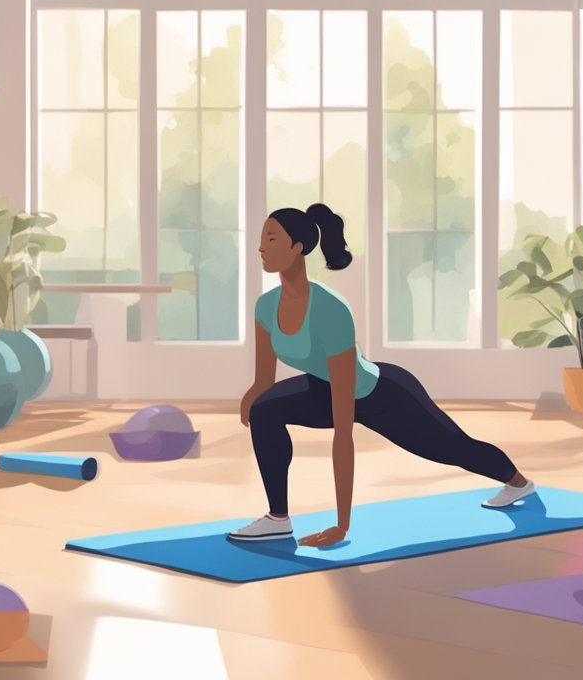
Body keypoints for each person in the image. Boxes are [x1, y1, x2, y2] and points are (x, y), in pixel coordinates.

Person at [228, 203, 534, 547]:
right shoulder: (266, 307)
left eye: (271, 239)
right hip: (320, 388)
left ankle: (518, 482)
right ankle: (277, 518)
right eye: (260, 239)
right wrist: (253, 397)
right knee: (265, 409)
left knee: (453, 448)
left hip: (379, 395)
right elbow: (264, 380)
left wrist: (341, 526)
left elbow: (344, 432)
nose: (260, 248)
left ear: (298, 247)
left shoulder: (330, 309)